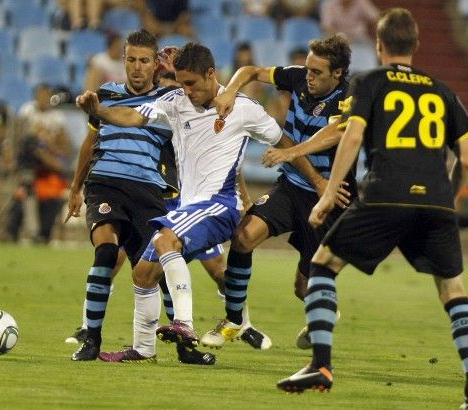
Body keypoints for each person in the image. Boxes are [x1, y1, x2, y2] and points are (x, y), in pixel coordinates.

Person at [276, 9, 468, 410]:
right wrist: (451, 198)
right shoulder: (442, 90)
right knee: (453, 289)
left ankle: (320, 364)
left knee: (322, 264)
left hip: (385, 193)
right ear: (416, 45)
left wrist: (327, 195)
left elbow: (352, 136)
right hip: (436, 201)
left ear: (379, 44)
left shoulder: (370, 81)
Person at [76, 42, 328, 363]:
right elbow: (133, 116)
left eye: (192, 83)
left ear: (211, 74)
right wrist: (99, 111)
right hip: (187, 209)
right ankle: (143, 349)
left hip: (219, 206)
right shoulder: (175, 100)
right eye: (181, 82)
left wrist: (318, 182)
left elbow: (285, 142)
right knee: (142, 274)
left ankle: (185, 323)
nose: (186, 90)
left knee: (167, 240)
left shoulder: (245, 108)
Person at [64, 30, 219, 365]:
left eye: (144, 60)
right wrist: (76, 188)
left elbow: (202, 106)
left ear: (154, 64)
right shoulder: (106, 94)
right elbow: (89, 144)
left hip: (148, 190)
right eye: (131, 59)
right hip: (106, 183)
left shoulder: (169, 103)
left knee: (156, 269)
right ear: (123, 60)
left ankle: (183, 346)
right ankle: (91, 338)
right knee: (106, 250)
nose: (137, 67)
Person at [199, 34, 355, 350]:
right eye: (308, 69)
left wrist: (290, 151)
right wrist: (230, 91)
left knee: (303, 287)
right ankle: (233, 320)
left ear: (337, 74)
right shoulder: (297, 76)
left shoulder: (350, 97)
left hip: (329, 198)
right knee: (244, 237)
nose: (307, 77)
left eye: (317, 73)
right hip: (292, 188)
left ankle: (322, 315)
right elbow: (252, 72)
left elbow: (336, 132)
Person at [7, 84, 72, 244]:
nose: (44, 99)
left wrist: (47, 151)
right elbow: (18, 141)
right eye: (41, 95)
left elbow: (65, 148)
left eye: (46, 95)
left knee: (52, 200)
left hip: (48, 171)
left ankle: (42, 235)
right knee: (22, 198)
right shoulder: (27, 113)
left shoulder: (57, 118)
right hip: (29, 168)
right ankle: (12, 233)